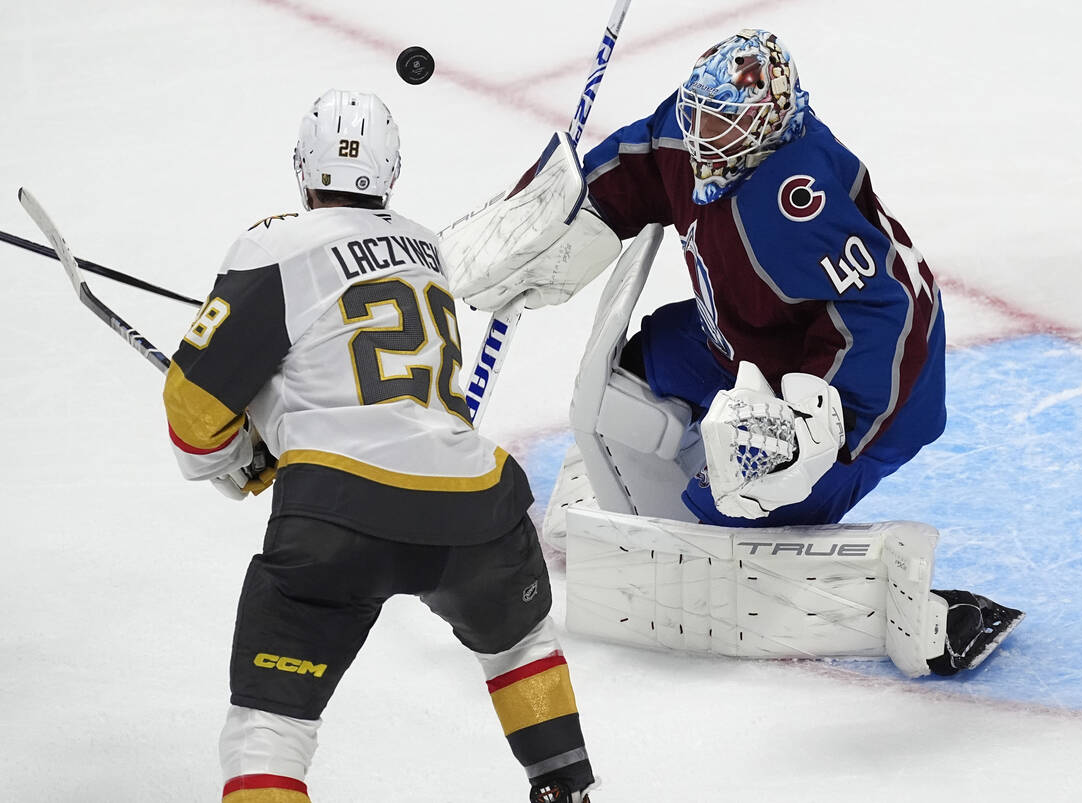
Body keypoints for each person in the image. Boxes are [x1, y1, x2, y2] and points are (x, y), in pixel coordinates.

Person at [162, 89, 595, 803]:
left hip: (339, 516)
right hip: (475, 511)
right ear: (391, 173)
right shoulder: (426, 251)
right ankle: (564, 785)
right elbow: (376, 391)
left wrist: (238, 455)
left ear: (302, 169)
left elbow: (192, 413)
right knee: (520, 645)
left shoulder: (274, 244)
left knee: (269, 727)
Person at [565, 28, 1021, 675]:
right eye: (698, 118)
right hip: (744, 338)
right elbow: (639, 158)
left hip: (874, 395)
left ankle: (927, 614)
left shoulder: (793, 196)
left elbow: (887, 317)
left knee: (721, 522)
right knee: (634, 379)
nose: (702, 141)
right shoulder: (689, 128)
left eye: (721, 127)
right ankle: (665, 494)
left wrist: (817, 434)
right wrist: (563, 209)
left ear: (767, 124)